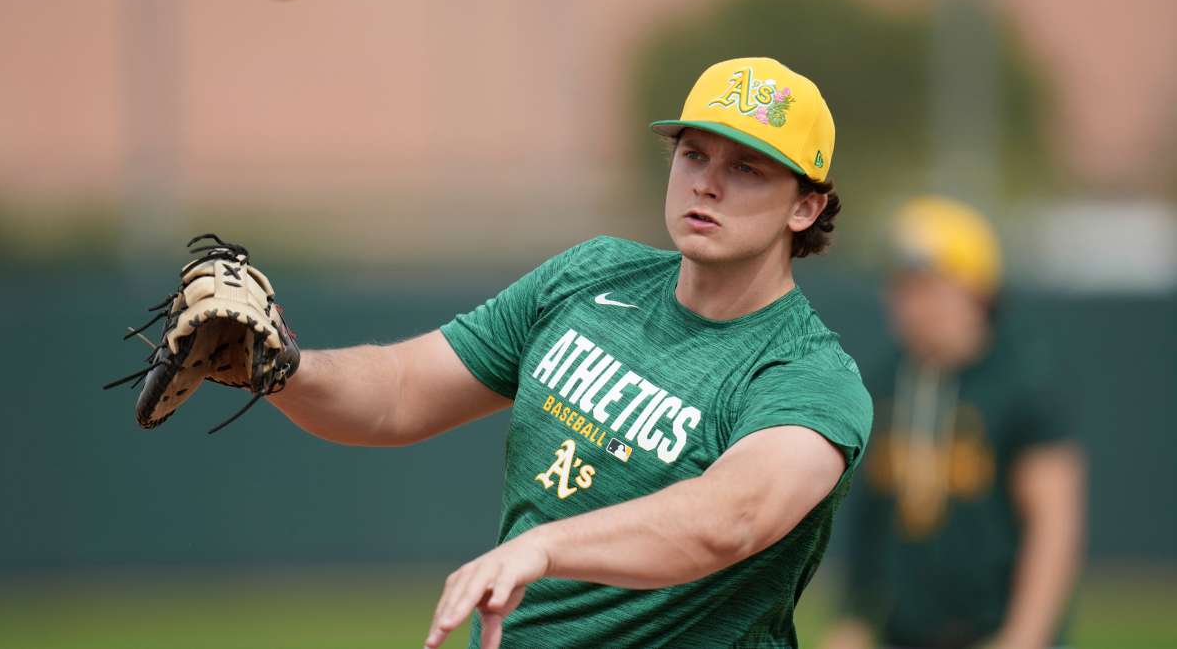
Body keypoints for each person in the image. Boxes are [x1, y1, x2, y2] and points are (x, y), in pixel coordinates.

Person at [267, 57, 873, 649]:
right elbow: (399, 393)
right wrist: (279, 368)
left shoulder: (808, 375)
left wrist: (543, 547)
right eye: (694, 154)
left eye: (747, 168)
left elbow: (729, 518)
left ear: (805, 207)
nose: (707, 184)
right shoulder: (590, 277)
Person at [821, 196, 1085, 649]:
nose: (907, 303)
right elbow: (869, 517)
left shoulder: (1020, 384)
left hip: (992, 630)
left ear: (976, 290)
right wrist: (855, 618)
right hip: (903, 634)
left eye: (925, 285)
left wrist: (1026, 634)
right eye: (899, 287)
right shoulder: (885, 384)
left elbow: (1054, 523)